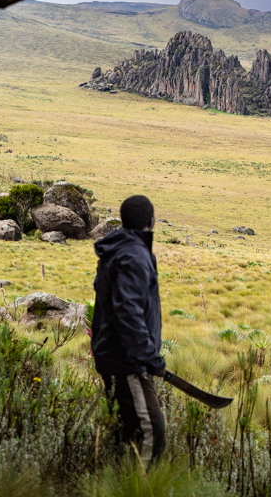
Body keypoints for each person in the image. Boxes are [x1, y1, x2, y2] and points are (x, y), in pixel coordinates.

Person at [91, 194, 167, 467]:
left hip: (112, 354)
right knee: (152, 431)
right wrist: (148, 356)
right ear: (151, 221)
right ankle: (142, 488)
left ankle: (115, 477)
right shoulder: (134, 255)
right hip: (128, 361)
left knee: (126, 428)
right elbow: (128, 312)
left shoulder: (118, 250)